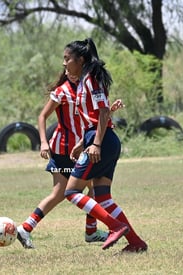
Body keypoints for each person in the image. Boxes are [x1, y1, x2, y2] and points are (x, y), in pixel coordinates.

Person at [16, 68, 124, 249]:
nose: (68, 69)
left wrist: (110, 110)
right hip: (64, 150)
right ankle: (26, 228)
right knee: (63, 193)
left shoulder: (86, 87)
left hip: (82, 148)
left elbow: (95, 118)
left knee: (92, 190)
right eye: (64, 66)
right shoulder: (62, 91)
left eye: (69, 64)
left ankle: (90, 231)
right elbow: (42, 116)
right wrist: (43, 142)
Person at [63, 38, 147, 252]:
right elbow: (99, 113)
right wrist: (83, 142)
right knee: (103, 197)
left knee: (71, 192)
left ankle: (116, 227)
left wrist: (96, 144)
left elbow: (101, 113)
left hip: (101, 142)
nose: (64, 63)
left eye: (67, 59)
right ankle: (136, 243)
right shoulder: (83, 80)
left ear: (80, 60)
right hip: (99, 139)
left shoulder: (91, 79)